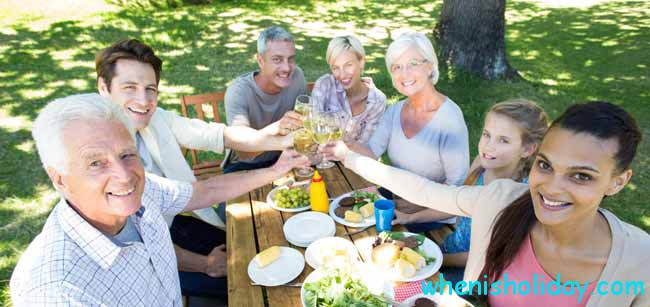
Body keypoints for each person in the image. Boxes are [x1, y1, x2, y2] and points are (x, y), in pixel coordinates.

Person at [324, 101, 649, 306]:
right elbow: (423, 189)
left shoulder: (640, 261)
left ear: (618, 181)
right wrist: (349, 157)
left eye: (581, 176)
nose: (551, 188)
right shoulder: (504, 198)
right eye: (546, 165)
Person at [10, 93, 308, 305]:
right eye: (95, 163)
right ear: (59, 178)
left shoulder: (143, 189)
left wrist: (278, 169)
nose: (124, 175)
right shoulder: (54, 291)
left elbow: (206, 192)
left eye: (127, 154)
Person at [95, 39, 293, 298]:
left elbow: (216, 135)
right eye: (129, 87)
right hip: (146, 269)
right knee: (249, 283)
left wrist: (274, 138)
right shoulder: (100, 160)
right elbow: (138, 246)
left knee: (248, 247)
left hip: (173, 223)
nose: (143, 100)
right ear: (103, 87)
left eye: (150, 89)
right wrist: (206, 264)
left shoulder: (155, 119)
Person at [395, 99, 548, 285]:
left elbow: (486, 257)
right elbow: (457, 204)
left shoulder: (518, 197)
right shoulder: (481, 165)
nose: (488, 146)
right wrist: (410, 218)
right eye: (487, 135)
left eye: (503, 140)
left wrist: (438, 260)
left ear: (527, 149)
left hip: (473, 274)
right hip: (449, 249)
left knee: (407, 290)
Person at [347, 32, 469, 231]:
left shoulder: (450, 120)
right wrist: (348, 144)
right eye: (397, 67)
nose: (405, 74)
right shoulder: (395, 111)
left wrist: (418, 208)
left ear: (430, 66)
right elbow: (371, 153)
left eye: (413, 64)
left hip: (433, 217)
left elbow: (457, 193)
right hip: (397, 203)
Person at [224, 26, 307, 173]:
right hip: (244, 166)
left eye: (291, 59)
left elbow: (302, 128)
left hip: (284, 159)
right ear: (261, 61)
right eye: (277, 59)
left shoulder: (297, 77)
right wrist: (276, 129)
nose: (287, 68)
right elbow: (244, 152)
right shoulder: (238, 92)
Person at [311, 35, 386, 144]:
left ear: (361, 62)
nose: (342, 75)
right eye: (335, 68)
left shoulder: (377, 101)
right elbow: (313, 128)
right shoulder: (324, 85)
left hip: (354, 159)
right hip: (322, 156)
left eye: (348, 65)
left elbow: (366, 147)